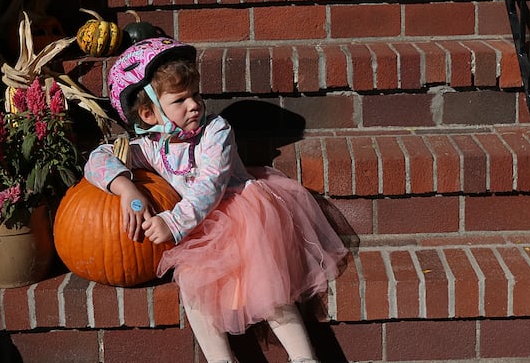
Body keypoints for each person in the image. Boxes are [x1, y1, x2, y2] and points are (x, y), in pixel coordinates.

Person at [83, 37, 347, 363]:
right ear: (149, 113)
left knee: (267, 283)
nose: (194, 104)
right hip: (200, 232)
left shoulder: (216, 131)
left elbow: (210, 184)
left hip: (242, 215)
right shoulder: (150, 146)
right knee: (193, 285)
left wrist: (173, 222)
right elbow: (97, 158)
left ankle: (304, 358)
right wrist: (127, 189)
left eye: (195, 94)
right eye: (180, 99)